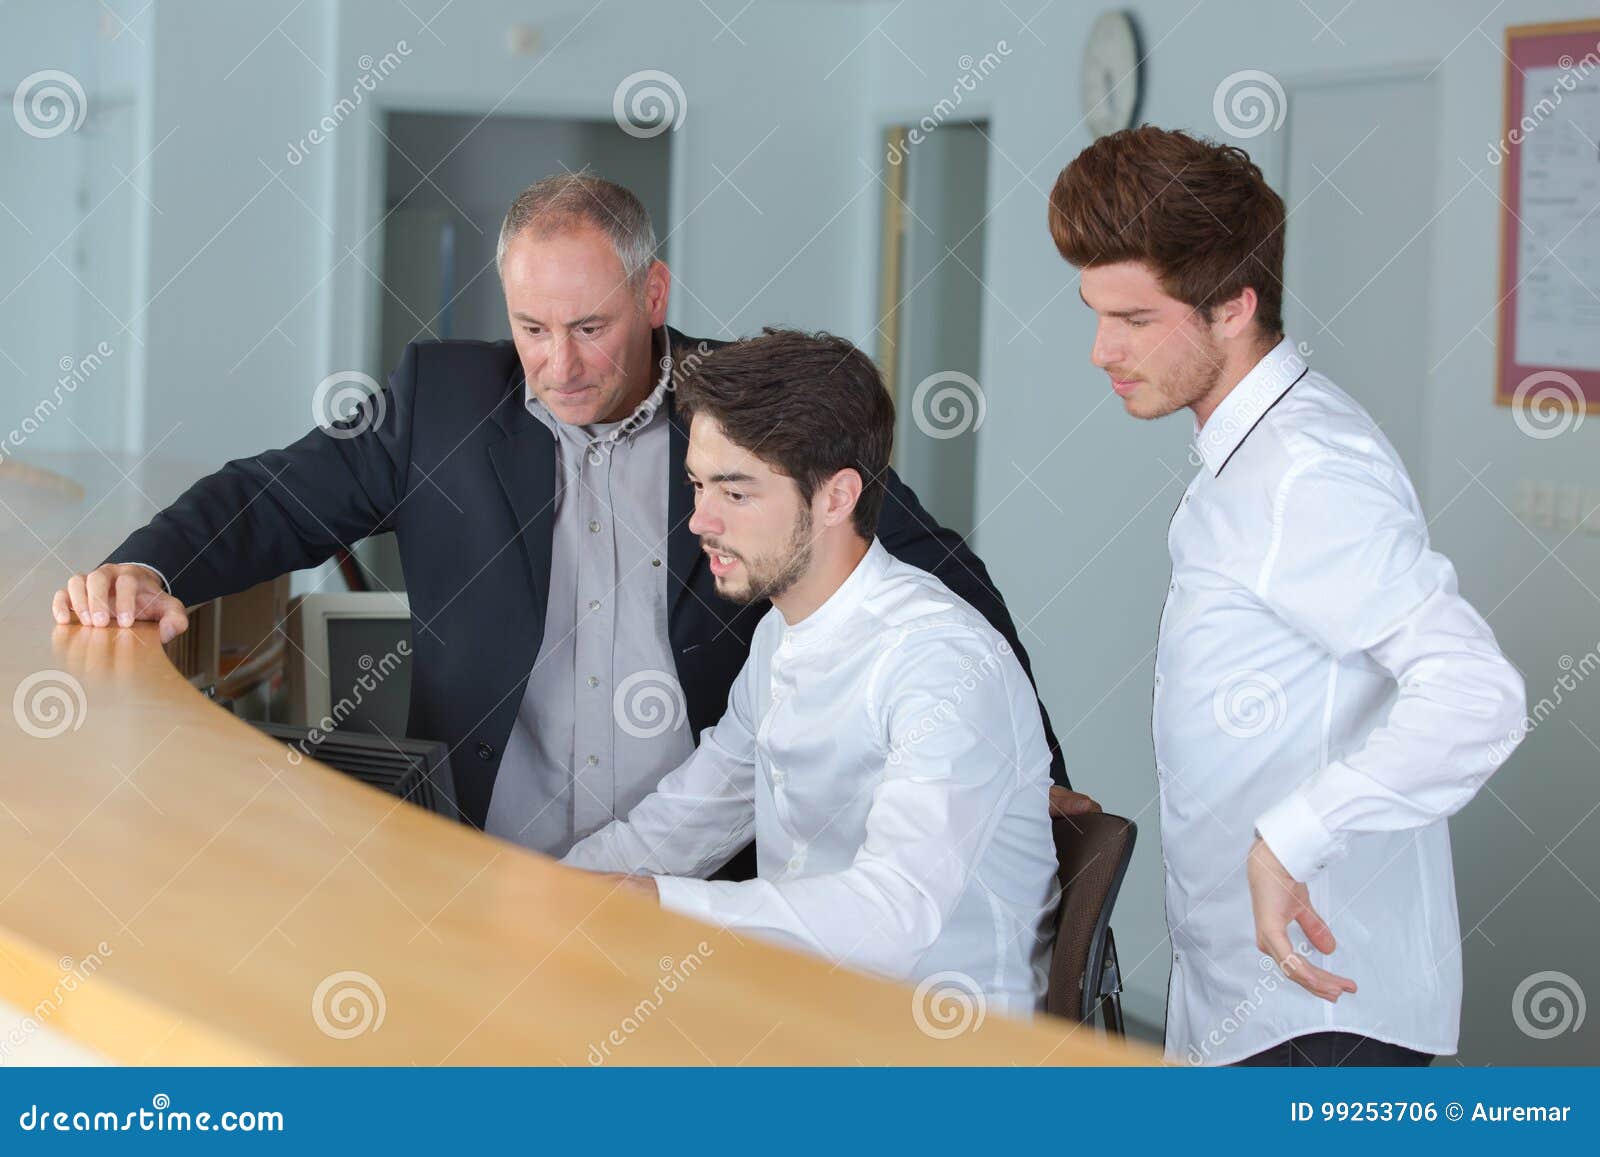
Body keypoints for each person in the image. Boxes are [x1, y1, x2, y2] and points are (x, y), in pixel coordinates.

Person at [51, 172, 1094, 857]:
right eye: (532, 326)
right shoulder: (441, 401)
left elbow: (933, 561)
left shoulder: (748, 412)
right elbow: (276, 493)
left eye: (590, 326)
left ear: (652, 294)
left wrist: (1032, 762)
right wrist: (150, 567)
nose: (560, 364)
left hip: (704, 869)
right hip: (488, 852)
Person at [1047, 126, 1526, 1065]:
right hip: (1250, 1000)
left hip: (1322, 1019)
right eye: (1093, 313)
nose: (1102, 350)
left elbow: (1478, 695)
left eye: (1137, 320)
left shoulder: (1306, 470)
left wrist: (1289, 837)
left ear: (1233, 306)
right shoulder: (1247, 456)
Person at [563, 329, 1060, 1013]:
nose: (700, 520)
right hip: (815, 1022)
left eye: (735, 493)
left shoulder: (939, 659)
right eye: (698, 485)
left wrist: (657, 900)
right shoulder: (778, 637)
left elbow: (894, 914)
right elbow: (686, 821)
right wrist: (538, 890)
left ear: (835, 497)